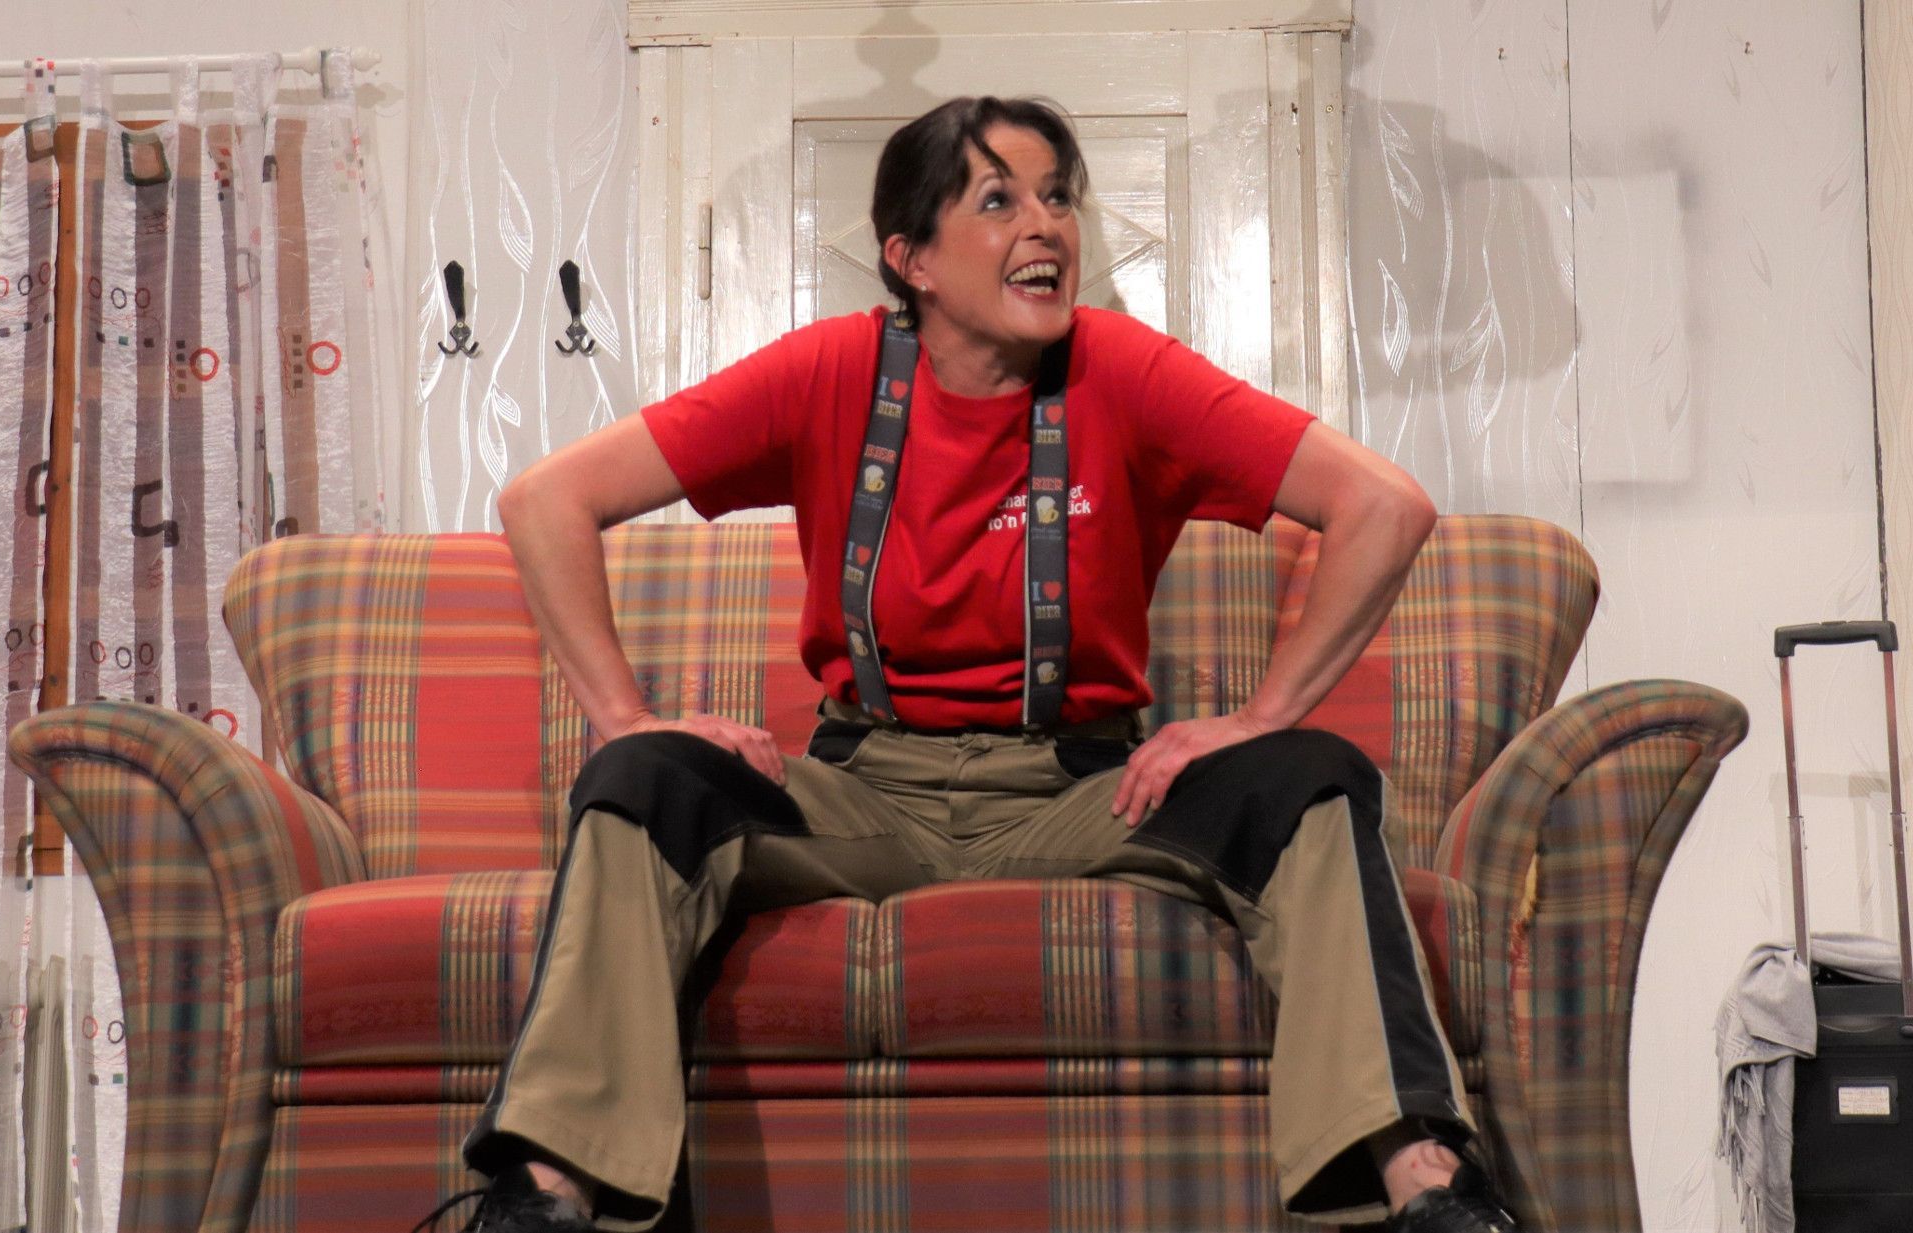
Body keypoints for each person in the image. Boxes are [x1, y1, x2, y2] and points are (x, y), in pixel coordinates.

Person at [428, 96, 1519, 1233]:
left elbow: (1383, 506)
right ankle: (544, 1199)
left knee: (1311, 777)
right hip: (863, 793)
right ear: (912, 260)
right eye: (998, 201)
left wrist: (1259, 717)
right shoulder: (829, 370)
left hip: (1083, 792)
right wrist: (624, 717)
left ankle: (1427, 1187)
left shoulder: (1126, 371)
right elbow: (546, 499)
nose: (1044, 225)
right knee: (640, 782)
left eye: (1058, 197)